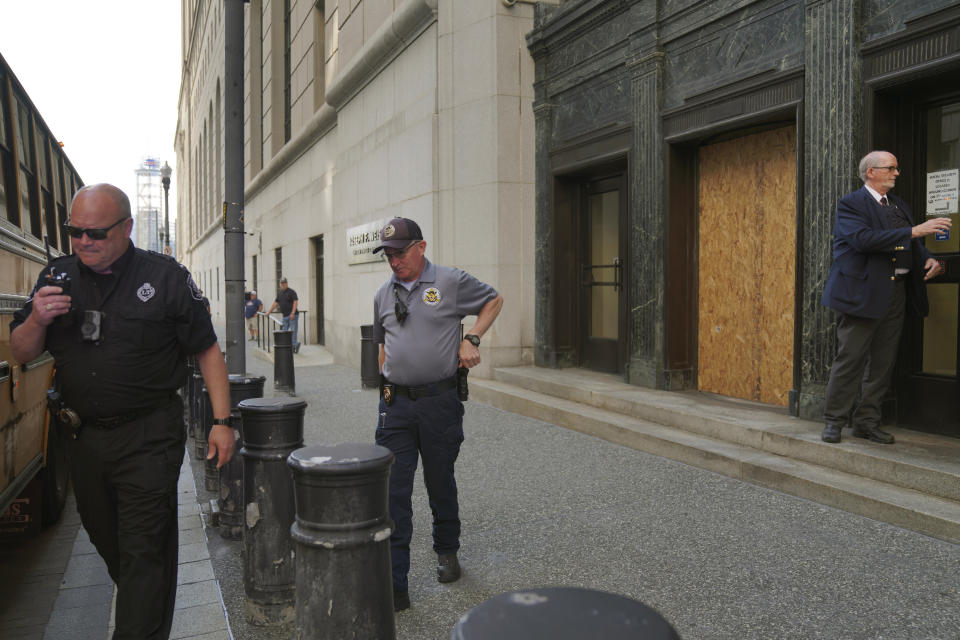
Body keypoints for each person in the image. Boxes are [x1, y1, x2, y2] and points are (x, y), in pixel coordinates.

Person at [9, 184, 234, 639]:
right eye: (75, 232)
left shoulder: (165, 277)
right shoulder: (56, 277)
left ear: (126, 228)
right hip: (83, 439)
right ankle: (144, 602)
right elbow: (20, 351)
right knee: (111, 543)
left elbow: (207, 349)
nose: (84, 242)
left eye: (95, 232)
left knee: (144, 550)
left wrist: (222, 422)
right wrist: (36, 319)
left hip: (148, 435)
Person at [371, 217, 503, 612]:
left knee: (439, 478)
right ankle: (396, 583)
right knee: (394, 490)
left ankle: (447, 549)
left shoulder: (449, 281)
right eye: (388, 255)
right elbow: (382, 346)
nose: (394, 261)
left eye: (400, 252)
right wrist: (389, 380)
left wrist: (472, 336)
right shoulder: (382, 294)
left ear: (421, 247)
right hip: (395, 406)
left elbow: (493, 300)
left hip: (439, 403)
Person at [821, 151, 951, 445]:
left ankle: (866, 422)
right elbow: (862, 240)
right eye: (890, 168)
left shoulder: (898, 205)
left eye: (896, 167)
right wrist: (914, 230)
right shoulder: (851, 204)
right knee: (851, 359)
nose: (896, 172)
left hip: (897, 292)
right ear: (871, 172)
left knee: (882, 363)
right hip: (861, 293)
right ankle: (833, 421)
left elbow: (911, 244)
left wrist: (929, 259)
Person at [266, 277, 299, 353]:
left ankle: (294, 347)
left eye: (284, 283)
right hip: (285, 316)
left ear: (286, 283)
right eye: (281, 283)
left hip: (292, 316)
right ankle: (289, 346)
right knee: (284, 332)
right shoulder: (279, 293)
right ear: (280, 284)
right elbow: (275, 303)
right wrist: (269, 312)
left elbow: (295, 302)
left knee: (293, 331)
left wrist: (293, 312)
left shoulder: (291, 292)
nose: (283, 284)